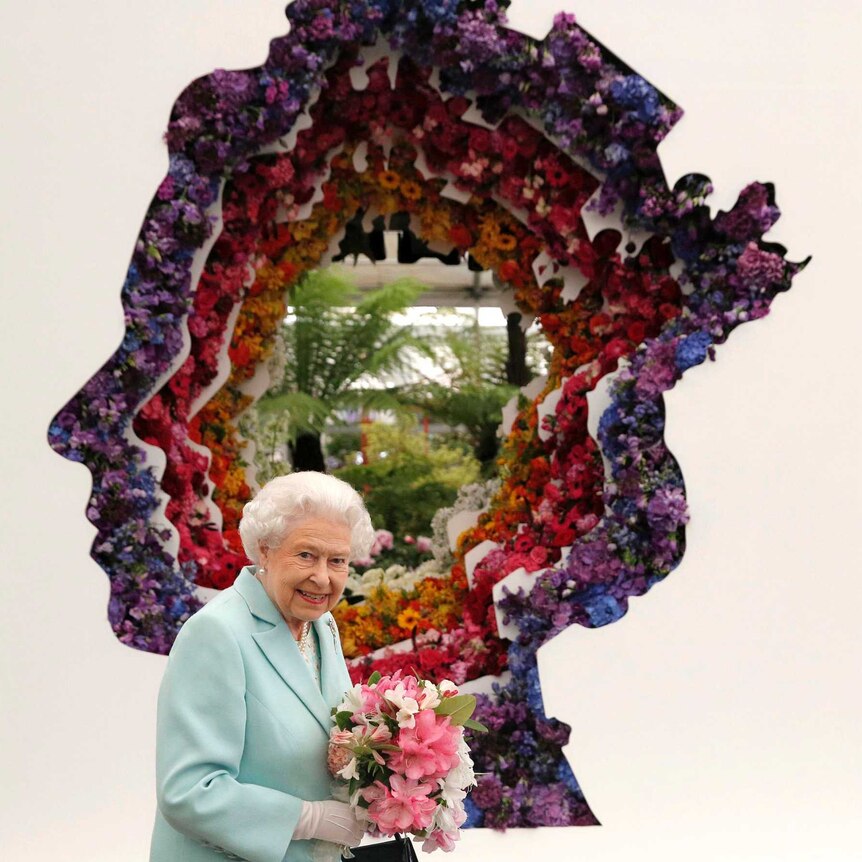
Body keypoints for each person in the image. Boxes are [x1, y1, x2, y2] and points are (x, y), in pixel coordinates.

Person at [149, 472, 376, 862]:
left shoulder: (321, 625)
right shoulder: (217, 633)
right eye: (306, 555)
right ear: (265, 550)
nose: (322, 577)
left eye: (337, 561)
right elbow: (188, 791)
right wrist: (308, 818)